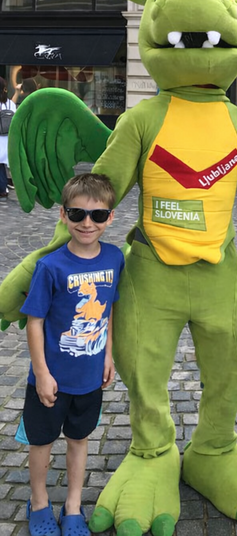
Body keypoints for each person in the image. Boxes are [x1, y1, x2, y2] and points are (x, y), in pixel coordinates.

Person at [16, 173, 124, 536]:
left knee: (79, 439)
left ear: (110, 217)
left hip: (89, 377)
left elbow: (109, 311)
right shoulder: (51, 267)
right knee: (42, 442)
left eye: (97, 215)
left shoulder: (114, 258)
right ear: (63, 215)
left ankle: (74, 504)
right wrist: (42, 373)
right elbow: (34, 322)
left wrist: (107, 355)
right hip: (51, 379)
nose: (87, 223)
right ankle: (40, 501)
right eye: (77, 214)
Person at [0, 76, 16, 197]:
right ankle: (7, 185)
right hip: (8, 138)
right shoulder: (11, 104)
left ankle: (3, 188)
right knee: (4, 164)